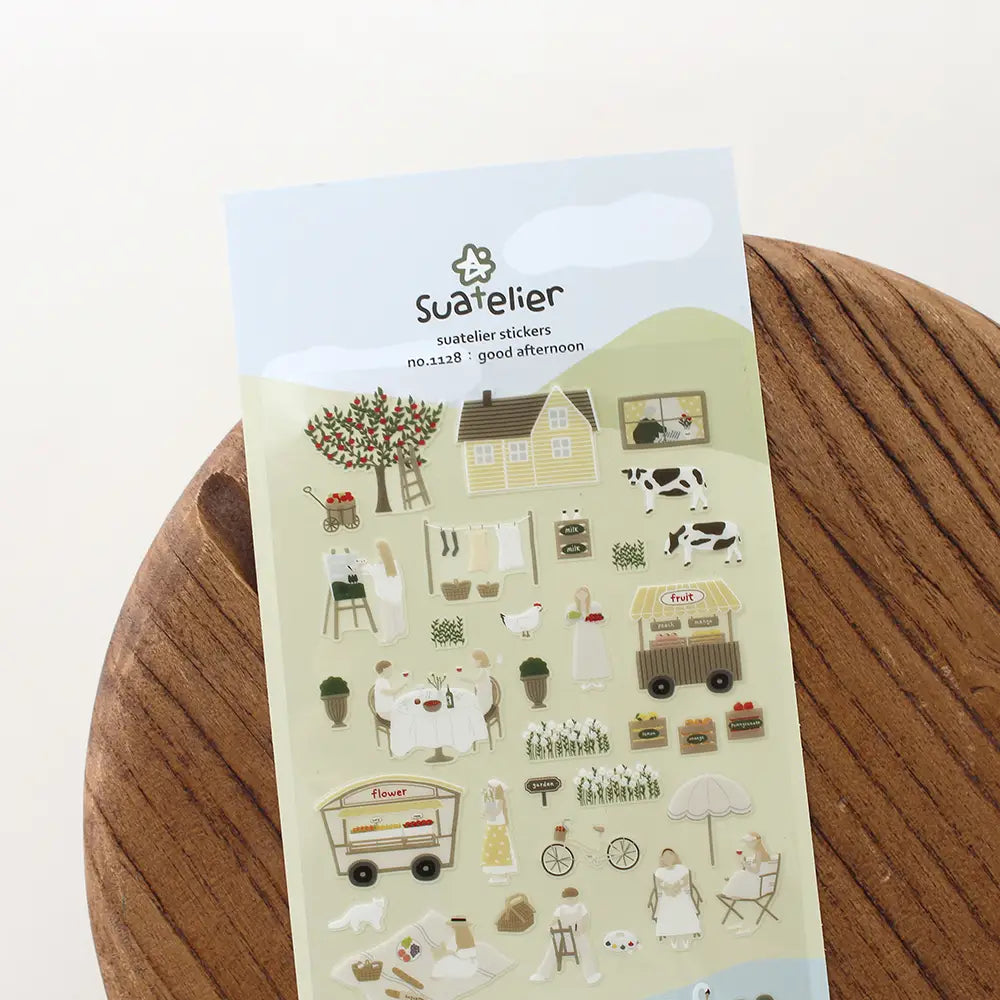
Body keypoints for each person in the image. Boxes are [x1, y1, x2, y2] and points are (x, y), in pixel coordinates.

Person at [530, 887, 601, 985]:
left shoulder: (581, 907)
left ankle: (591, 975)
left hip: (577, 934)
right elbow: (553, 921)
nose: (571, 900)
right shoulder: (560, 909)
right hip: (563, 935)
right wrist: (550, 927)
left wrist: (580, 929)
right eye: (568, 899)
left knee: (586, 950)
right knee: (552, 949)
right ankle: (542, 974)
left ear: (576, 898)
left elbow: (585, 921)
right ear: (564, 899)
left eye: (573, 898)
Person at [652, 848, 701, 949]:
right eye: (665, 856)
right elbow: (659, 884)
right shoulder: (659, 871)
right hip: (667, 896)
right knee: (667, 912)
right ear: (662, 859)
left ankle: (686, 937)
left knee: (684, 909)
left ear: (675, 857)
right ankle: (672, 938)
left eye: (670, 855)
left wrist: (677, 886)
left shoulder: (682, 868)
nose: (668, 858)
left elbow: (685, 880)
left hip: (681, 894)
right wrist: (668, 888)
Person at [566, 587, 612, 691]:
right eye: (579, 594)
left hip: (594, 633)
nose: (582, 596)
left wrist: (596, 618)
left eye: (584, 593)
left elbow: (602, 618)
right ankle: (585, 680)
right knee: (583, 655)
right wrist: (574, 617)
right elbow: (568, 621)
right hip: (581, 634)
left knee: (596, 654)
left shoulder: (595, 606)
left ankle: (598, 678)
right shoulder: (573, 607)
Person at [480, 779, 517, 884]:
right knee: (492, 848)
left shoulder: (499, 799)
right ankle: (494, 872)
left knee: (500, 848)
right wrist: (486, 810)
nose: (490, 789)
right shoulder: (489, 798)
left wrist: (489, 810)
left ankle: (501, 872)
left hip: (498, 825)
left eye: (491, 787)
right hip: (492, 825)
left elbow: (497, 811)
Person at [721, 833, 775, 899]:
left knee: (738, 875)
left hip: (759, 882)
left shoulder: (759, 853)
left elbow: (756, 871)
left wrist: (744, 863)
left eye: (749, 842)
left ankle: (731, 894)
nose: (748, 844)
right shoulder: (759, 852)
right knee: (739, 874)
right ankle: (733, 894)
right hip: (760, 879)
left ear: (756, 842)